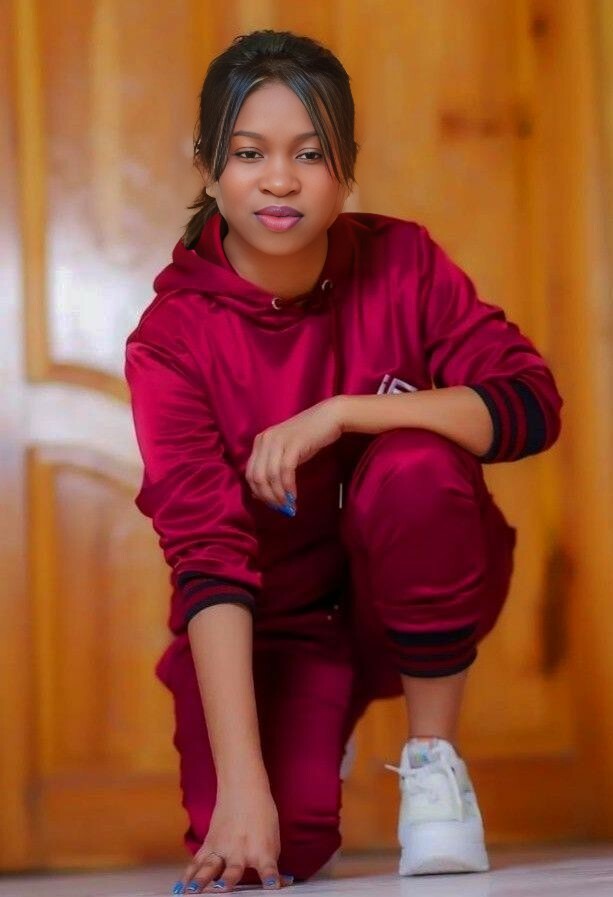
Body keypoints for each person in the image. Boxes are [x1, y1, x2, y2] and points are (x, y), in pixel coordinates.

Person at [124, 28, 563, 895]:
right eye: (248, 153)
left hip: (408, 584)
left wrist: (344, 413)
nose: (279, 180)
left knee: (414, 461)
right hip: (276, 622)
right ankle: (311, 735)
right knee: (270, 851)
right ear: (208, 167)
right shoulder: (170, 342)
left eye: (310, 153)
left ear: (347, 169)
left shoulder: (404, 262)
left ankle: (432, 765)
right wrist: (244, 787)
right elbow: (207, 559)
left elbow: (530, 404)